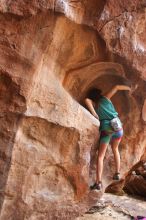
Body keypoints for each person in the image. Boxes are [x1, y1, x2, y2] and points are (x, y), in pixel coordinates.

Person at [85, 85, 131, 190]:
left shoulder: (95, 104)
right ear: (100, 94)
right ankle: (117, 173)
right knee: (115, 149)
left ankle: (98, 182)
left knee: (100, 156)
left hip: (107, 129)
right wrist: (129, 88)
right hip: (118, 128)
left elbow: (87, 100)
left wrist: (94, 113)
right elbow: (117, 87)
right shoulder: (106, 98)